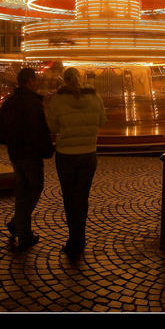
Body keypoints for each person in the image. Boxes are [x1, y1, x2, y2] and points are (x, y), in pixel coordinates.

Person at [47, 67, 106, 260]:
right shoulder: (94, 97)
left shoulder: (58, 99)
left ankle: (74, 239)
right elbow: (101, 121)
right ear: (81, 79)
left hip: (66, 154)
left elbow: (53, 127)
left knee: (69, 197)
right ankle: (80, 238)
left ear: (64, 80)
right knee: (82, 197)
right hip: (88, 153)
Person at [0, 68, 53, 252]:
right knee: (35, 187)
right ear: (29, 81)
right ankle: (19, 226)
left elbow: (1, 127)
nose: (37, 82)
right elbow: (41, 128)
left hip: (15, 152)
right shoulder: (33, 103)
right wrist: (46, 148)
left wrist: (11, 142)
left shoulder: (10, 102)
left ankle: (23, 230)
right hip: (31, 153)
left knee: (22, 190)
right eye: (35, 79)